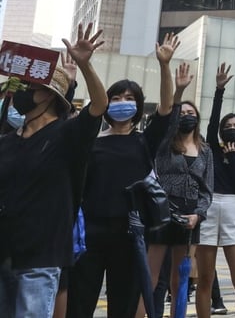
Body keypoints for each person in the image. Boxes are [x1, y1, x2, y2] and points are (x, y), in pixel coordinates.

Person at [68, 34, 180, 318]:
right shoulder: (91, 138)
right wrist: (82, 69)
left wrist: (164, 66)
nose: (122, 103)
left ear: (139, 106)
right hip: (89, 234)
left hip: (131, 234)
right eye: (116, 97)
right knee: (79, 304)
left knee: (123, 306)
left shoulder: (145, 140)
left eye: (129, 99)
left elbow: (166, 109)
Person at [0, 24, 107, 318]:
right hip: (4, 253)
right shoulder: (7, 142)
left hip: (41, 257)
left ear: (48, 95)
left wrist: (84, 66)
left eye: (27, 86)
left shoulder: (68, 134)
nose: (19, 92)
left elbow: (99, 104)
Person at [144, 50, 215, 318]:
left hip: (190, 219)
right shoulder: (164, 143)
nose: (186, 115)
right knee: (151, 279)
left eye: (191, 112)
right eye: (182, 112)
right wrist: (178, 92)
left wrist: (198, 215)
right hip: (162, 213)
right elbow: (168, 117)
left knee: (180, 281)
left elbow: (207, 190)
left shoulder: (205, 151)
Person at [193, 64, 235, 318]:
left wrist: (233, 160)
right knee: (205, 279)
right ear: (221, 130)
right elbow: (211, 122)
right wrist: (219, 90)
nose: (232, 126)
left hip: (233, 208)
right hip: (208, 207)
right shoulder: (211, 151)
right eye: (227, 124)